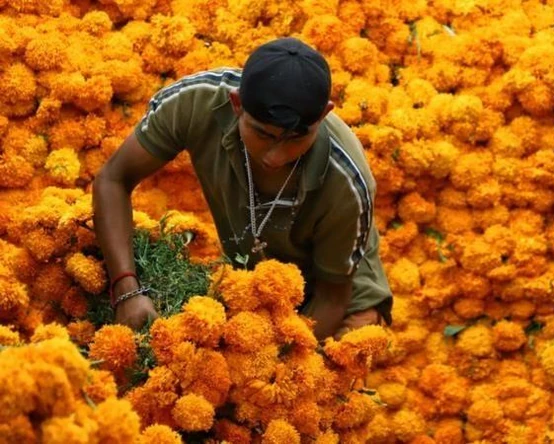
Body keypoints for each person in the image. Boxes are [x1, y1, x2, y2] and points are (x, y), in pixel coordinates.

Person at [92, 37, 393, 340]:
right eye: (263, 134)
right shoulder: (196, 102)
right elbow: (113, 179)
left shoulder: (348, 183)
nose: (276, 156)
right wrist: (127, 289)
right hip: (251, 271)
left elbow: (333, 298)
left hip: (337, 284)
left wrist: (272, 365)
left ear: (325, 114)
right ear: (237, 105)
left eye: (295, 139)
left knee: (350, 346)